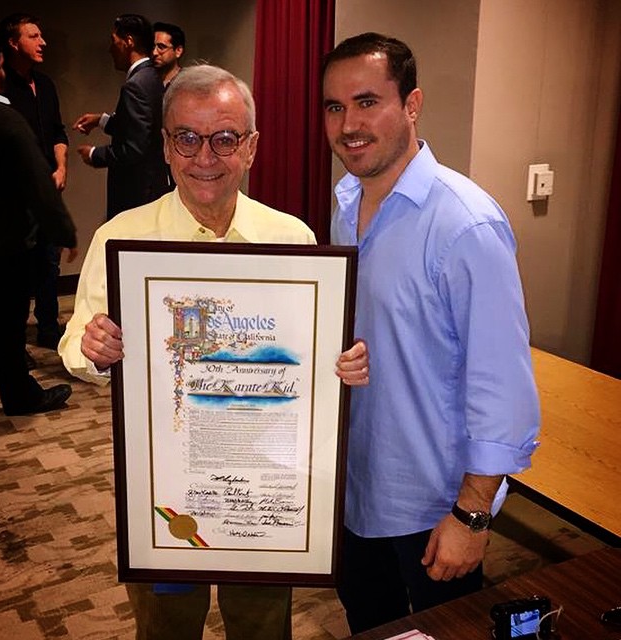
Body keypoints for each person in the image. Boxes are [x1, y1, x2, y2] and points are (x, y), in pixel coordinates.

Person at [59, 63, 368, 639]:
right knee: (167, 627)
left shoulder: (293, 240)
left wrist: (342, 367)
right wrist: (95, 347)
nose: (207, 156)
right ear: (167, 148)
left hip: (266, 489)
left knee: (260, 625)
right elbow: (76, 344)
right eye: (188, 138)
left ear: (251, 147)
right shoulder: (123, 239)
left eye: (225, 138)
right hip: (166, 486)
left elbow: (316, 364)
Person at [322, 32, 540, 634]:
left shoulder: (465, 225)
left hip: (431, 507)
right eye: (335, 107)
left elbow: (503, 389)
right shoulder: (344, 203)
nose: (349, 124)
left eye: (368, 102)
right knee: (370, 623)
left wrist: (471, 516)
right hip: (355, 489)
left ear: (412, 105)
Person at [0, 33, 76, 416]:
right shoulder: (4, 119)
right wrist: (64, 232)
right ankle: (21, 396)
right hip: (2, 244)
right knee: (6, 325)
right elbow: (38, 183)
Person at [0, 13, 76, 351]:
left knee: (49, 260)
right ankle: (8, 339)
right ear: (14, 43)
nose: (42, 42)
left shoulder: (45, 85)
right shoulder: (0, 88)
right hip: (14, 197)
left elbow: (58, 132)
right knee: (15, 269)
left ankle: (48, 327)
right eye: (33, 36)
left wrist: (61, 167)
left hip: (48, 191)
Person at [73, 14, 171, 220]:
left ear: (128, 41)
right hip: (151, 187)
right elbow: (140, 126)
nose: (110, 49)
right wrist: (101, 120)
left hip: (137, 193)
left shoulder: (135, 85)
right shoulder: (152, 77)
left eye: (113, 41)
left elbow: (134, 148)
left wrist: (94, 154)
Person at [153, 21, 185, 88]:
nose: (154, 53)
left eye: (161, 47)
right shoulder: (147, 80)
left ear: (178, 51)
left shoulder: (187, 81)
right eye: (152, 47)